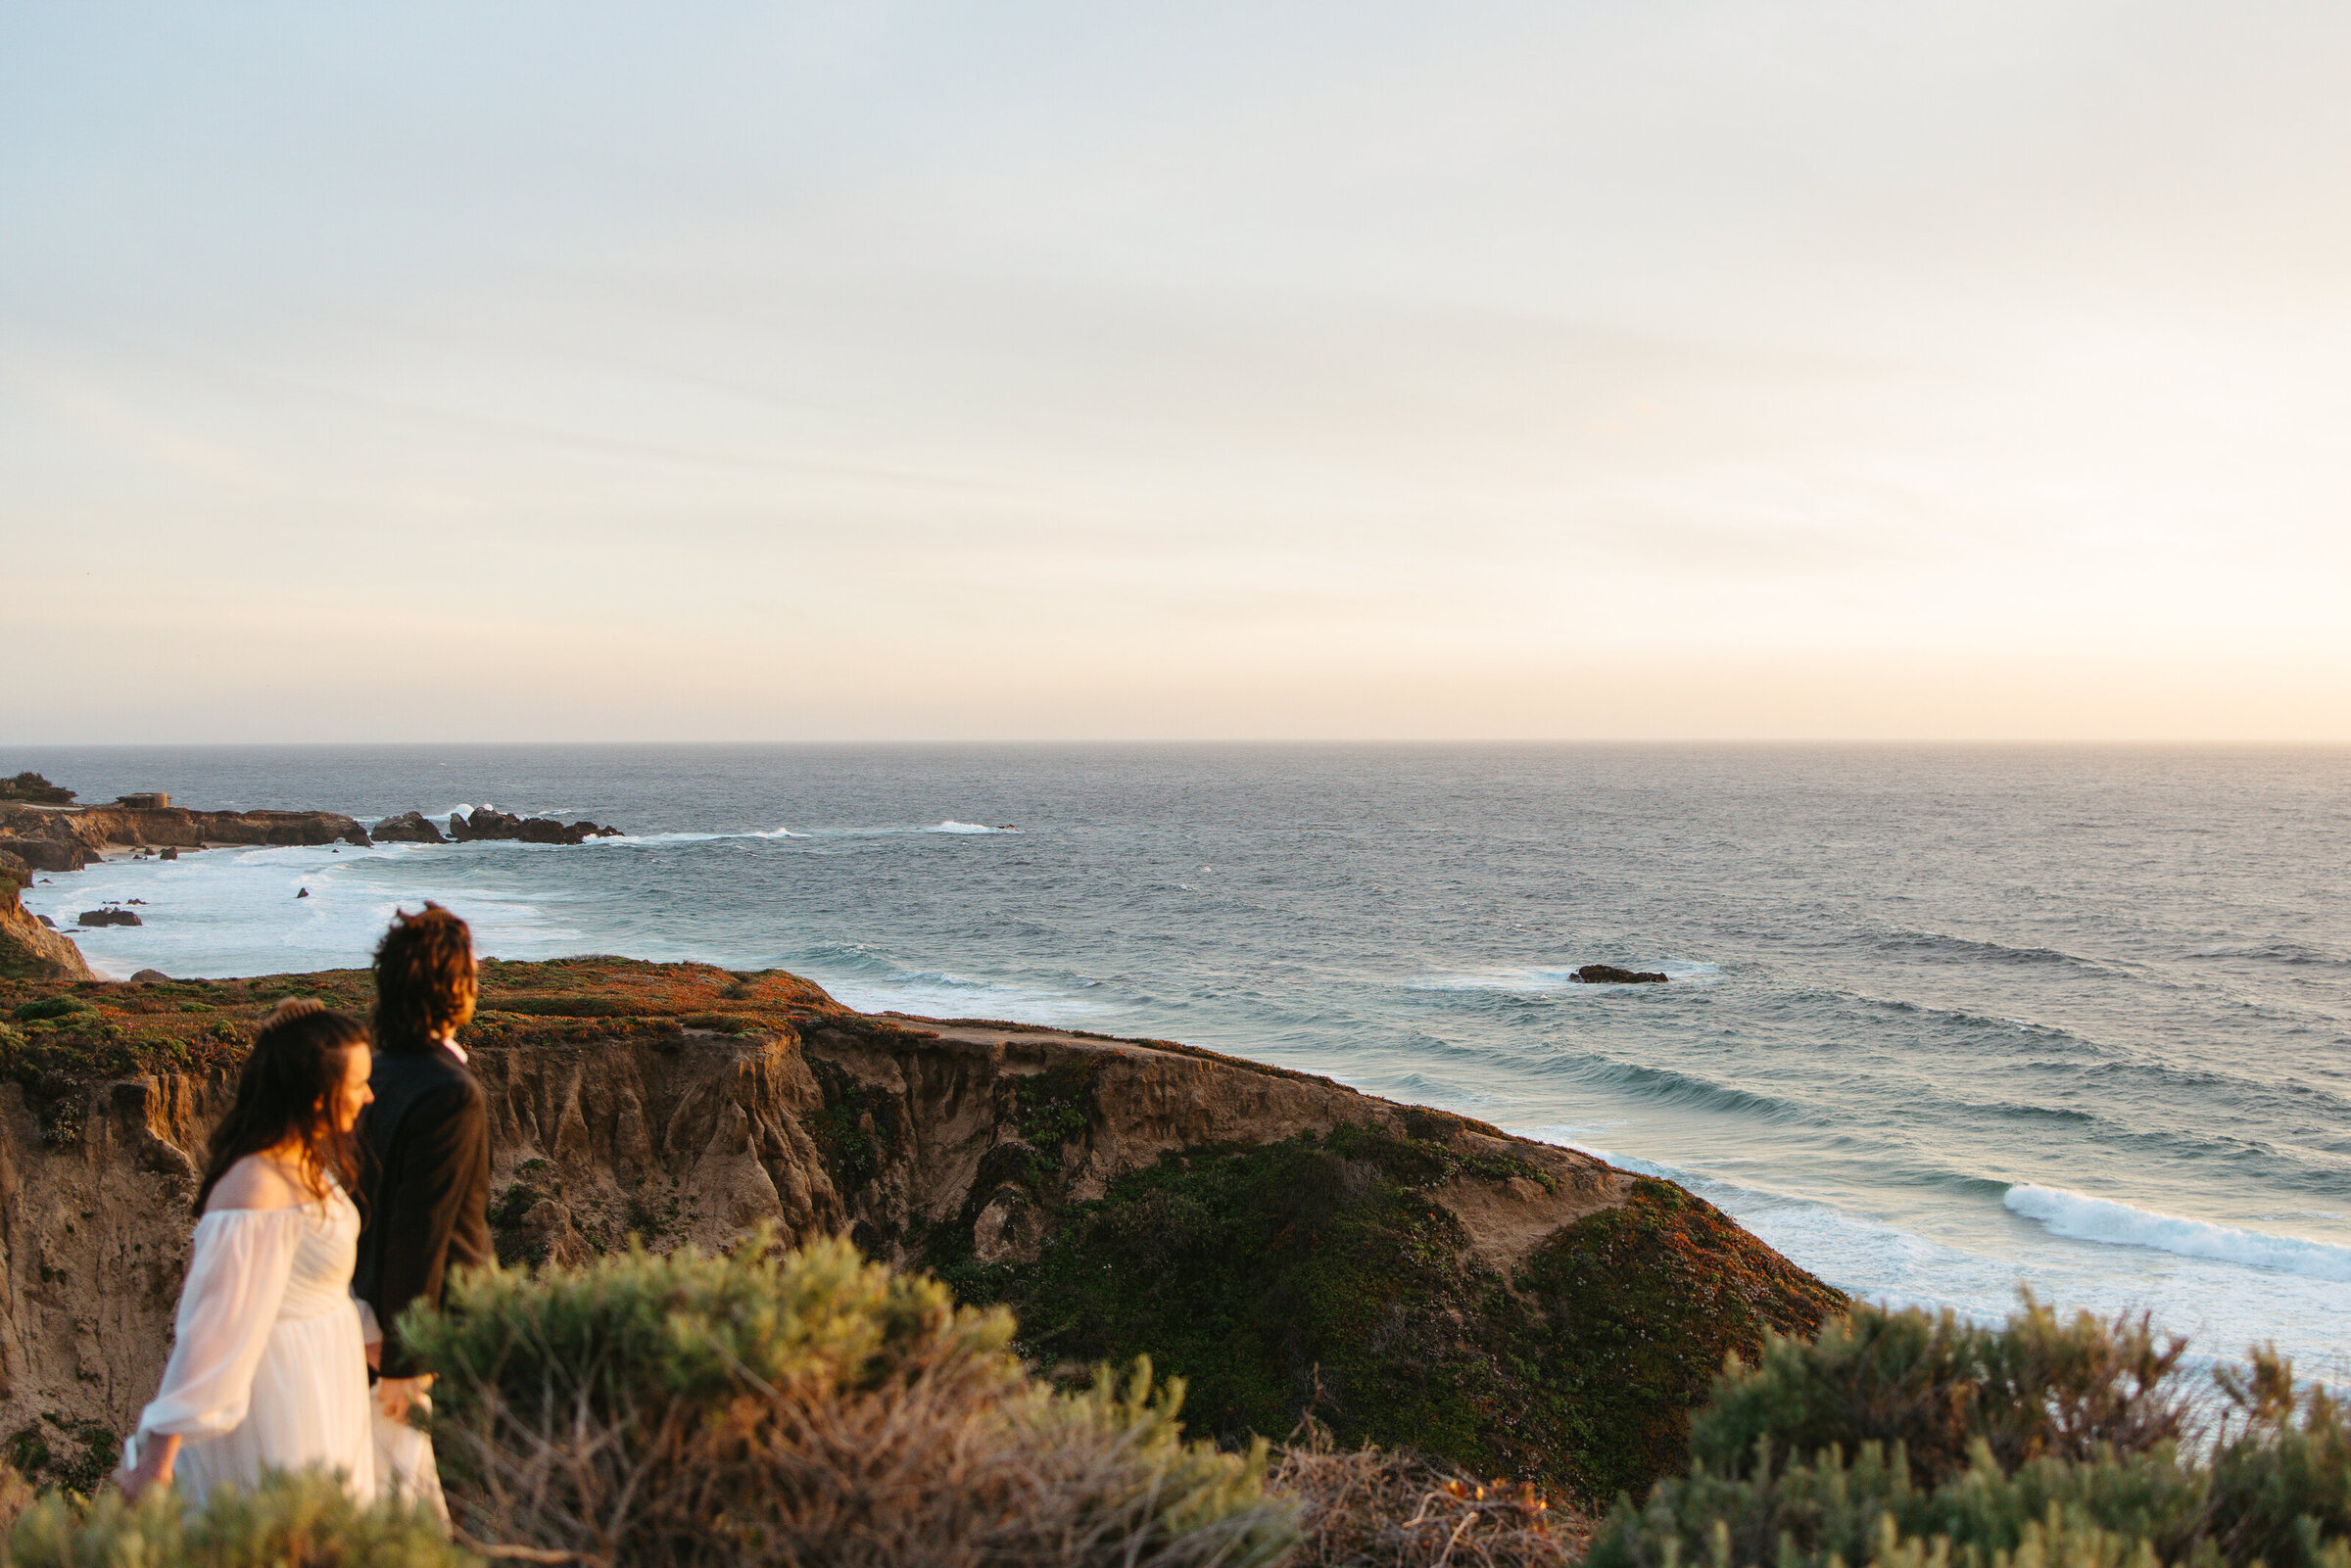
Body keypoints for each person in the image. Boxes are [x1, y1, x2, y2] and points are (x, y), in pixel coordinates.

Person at [119, 1001, 378, 1503]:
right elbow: (211, 1327)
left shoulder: (304, 1163)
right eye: (357, 1084)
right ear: (316, 1094)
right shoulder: (254, 1188)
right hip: (283, 1398)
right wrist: (159, 1457)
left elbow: (317, 1284)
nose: (369, 1096)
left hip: (329, 1378)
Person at [353, 904, 491, 1509]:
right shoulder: (450, 1094)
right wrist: (406, 1361)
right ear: (457, 991)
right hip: (424, 1339)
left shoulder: (368, 1078)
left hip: (363, 1318)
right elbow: (420, 1229)